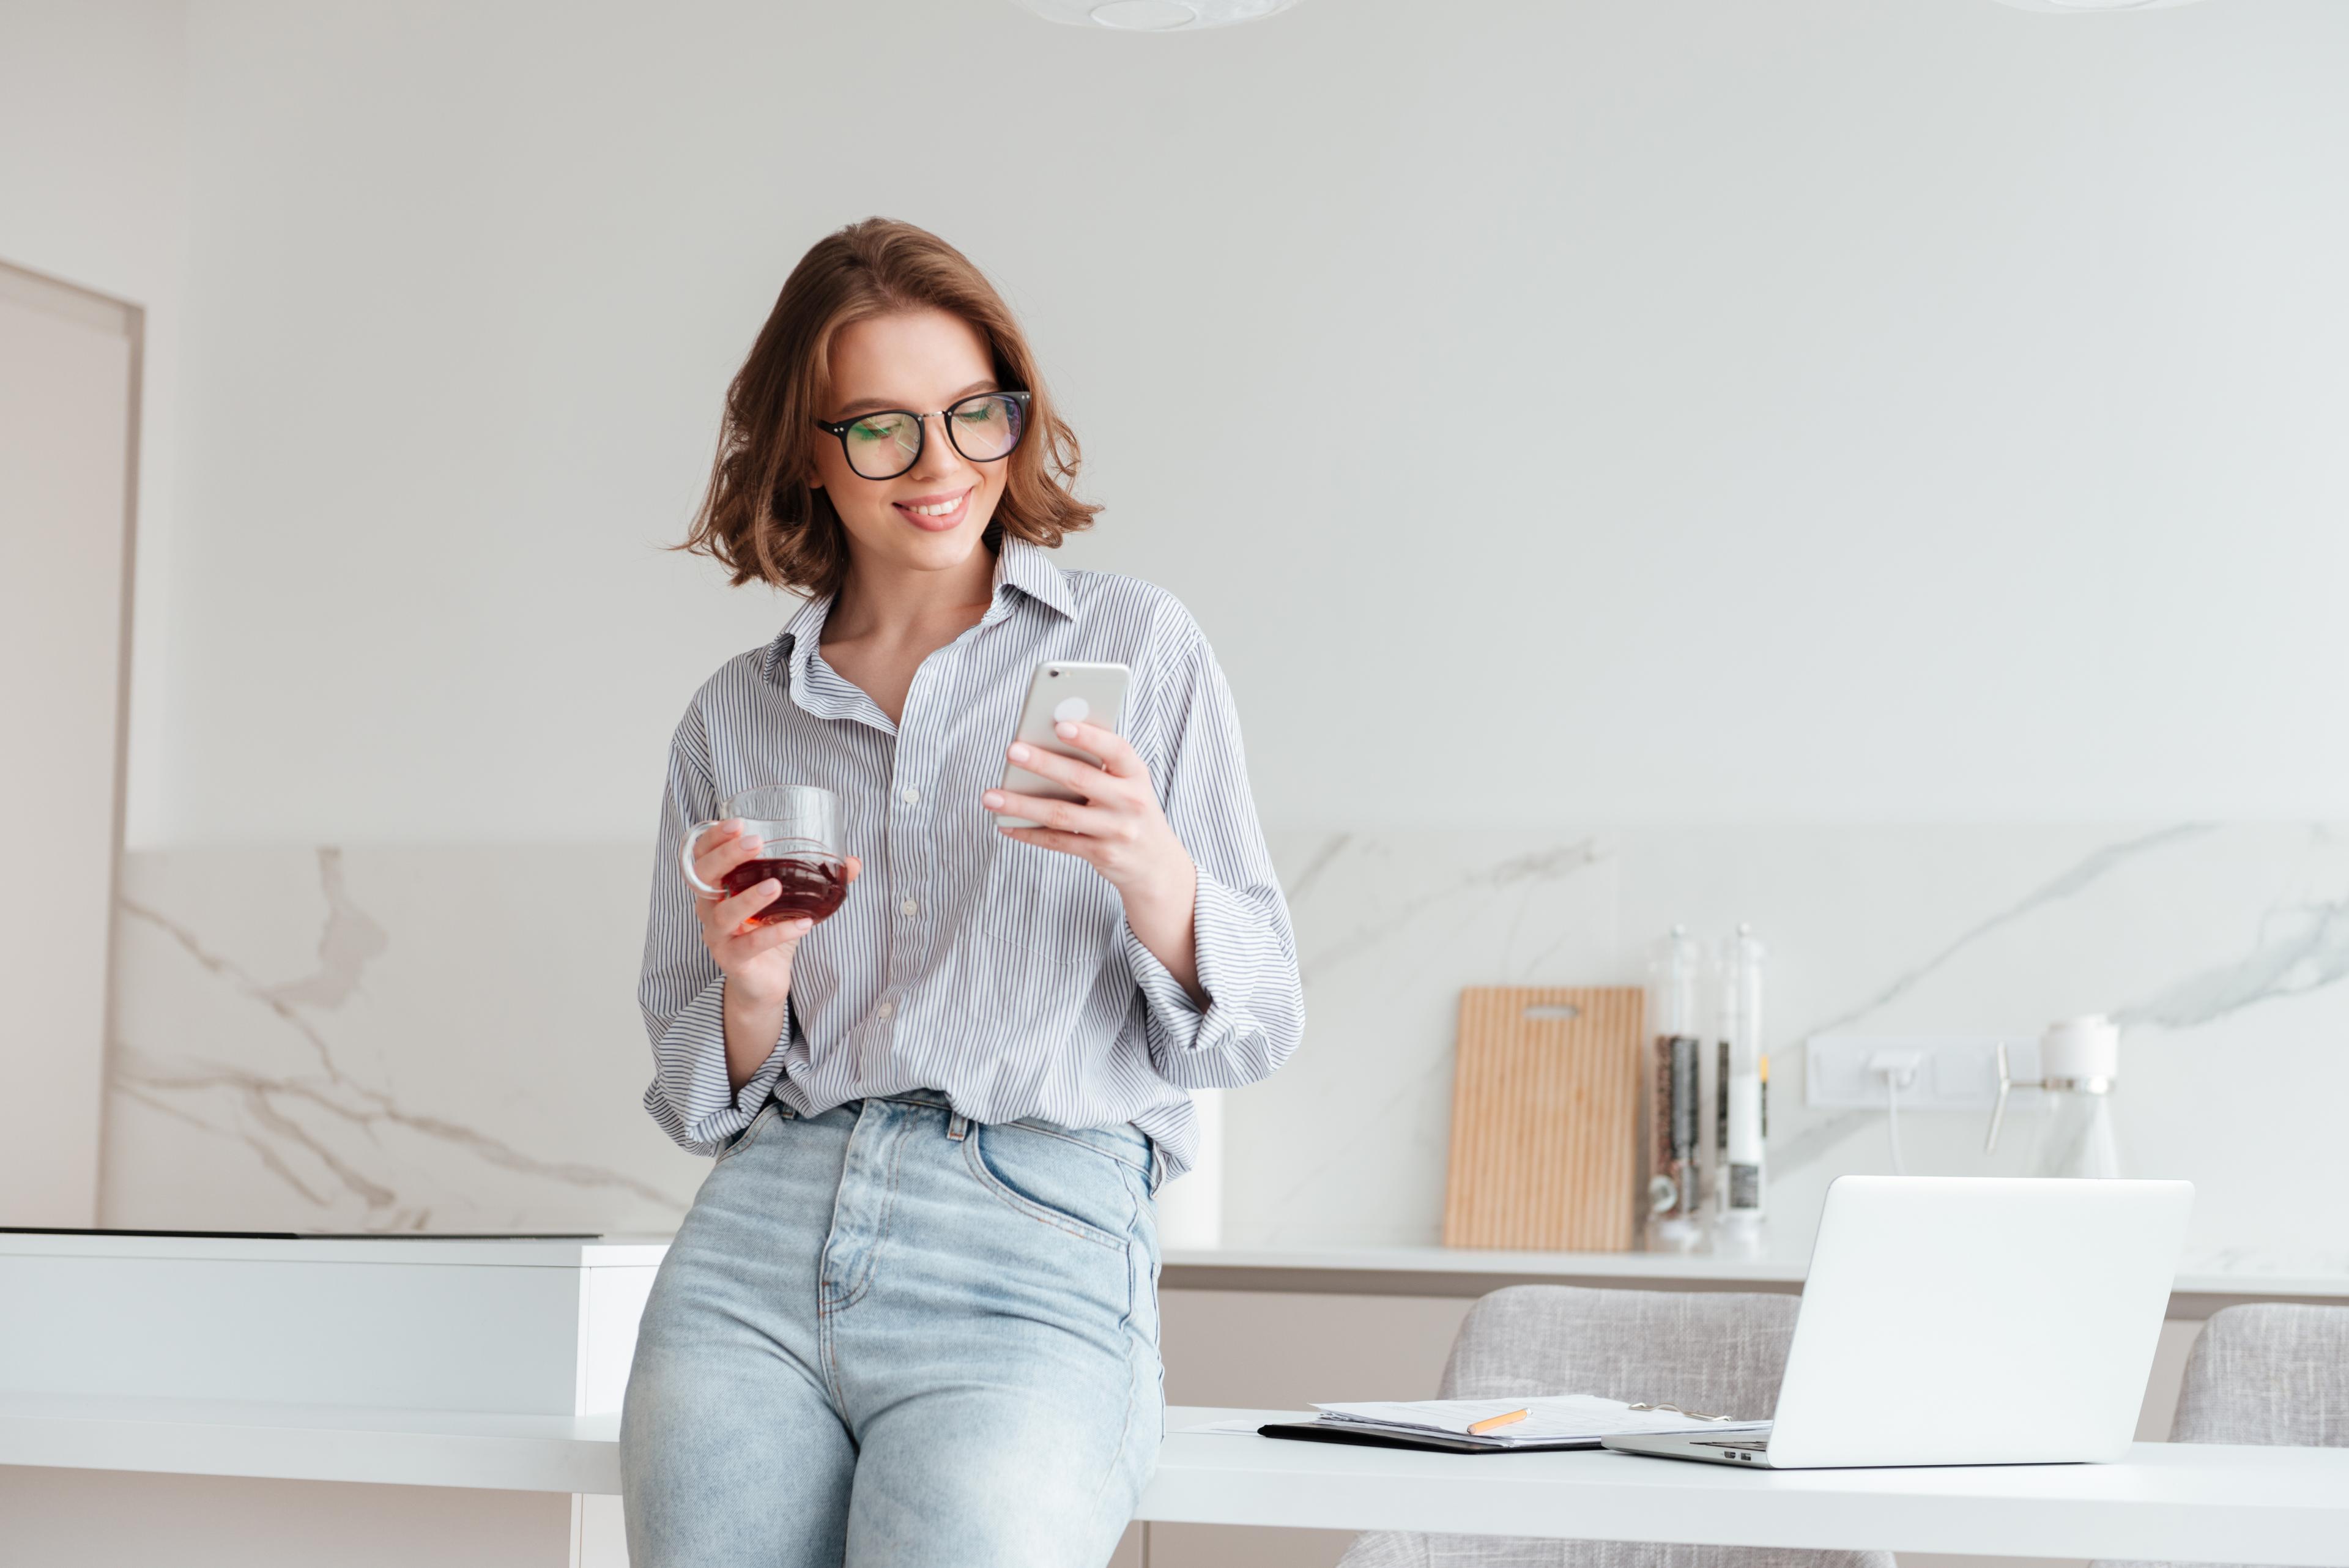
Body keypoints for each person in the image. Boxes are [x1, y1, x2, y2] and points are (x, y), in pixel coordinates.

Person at [620, 217, 1306, 1568]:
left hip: (1033, 1230)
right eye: (880, 429)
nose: (941, 468)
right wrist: (752, 986)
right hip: (759, 1241)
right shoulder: (735, 718)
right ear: (806, 452)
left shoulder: (1137, 645)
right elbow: (699, 1087)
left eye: (974, 415)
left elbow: (1263, 1016)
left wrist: (1149, 869)